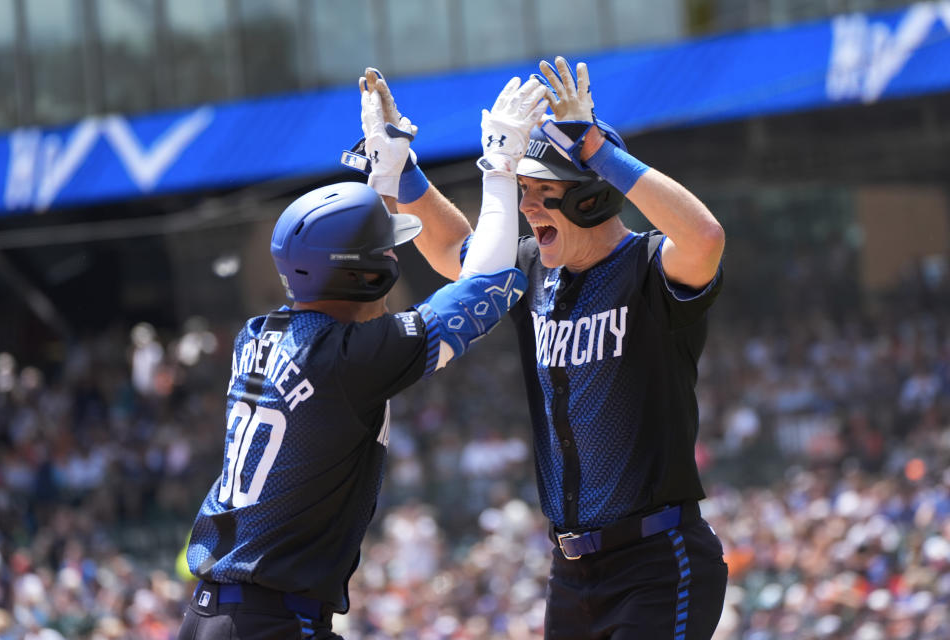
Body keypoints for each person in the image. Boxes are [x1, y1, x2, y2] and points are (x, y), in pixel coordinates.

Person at [357, 58, 729, 639]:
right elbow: (457, 248)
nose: (527, 208)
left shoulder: (649, 267)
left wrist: (596, 149)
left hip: (658, 559)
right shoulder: (532, 268)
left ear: (592, 199)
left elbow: (705, 238)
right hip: (572, 571)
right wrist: (403, 171)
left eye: (544, 193)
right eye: (523, 192)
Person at [176, 69, 547, 639]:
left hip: (214, 614)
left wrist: (386, 174)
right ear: (368, 271)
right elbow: (489, 283)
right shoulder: (350, 360)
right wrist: (499, 169)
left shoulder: (259, 333)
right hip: (270, 621)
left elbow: (353, 284)